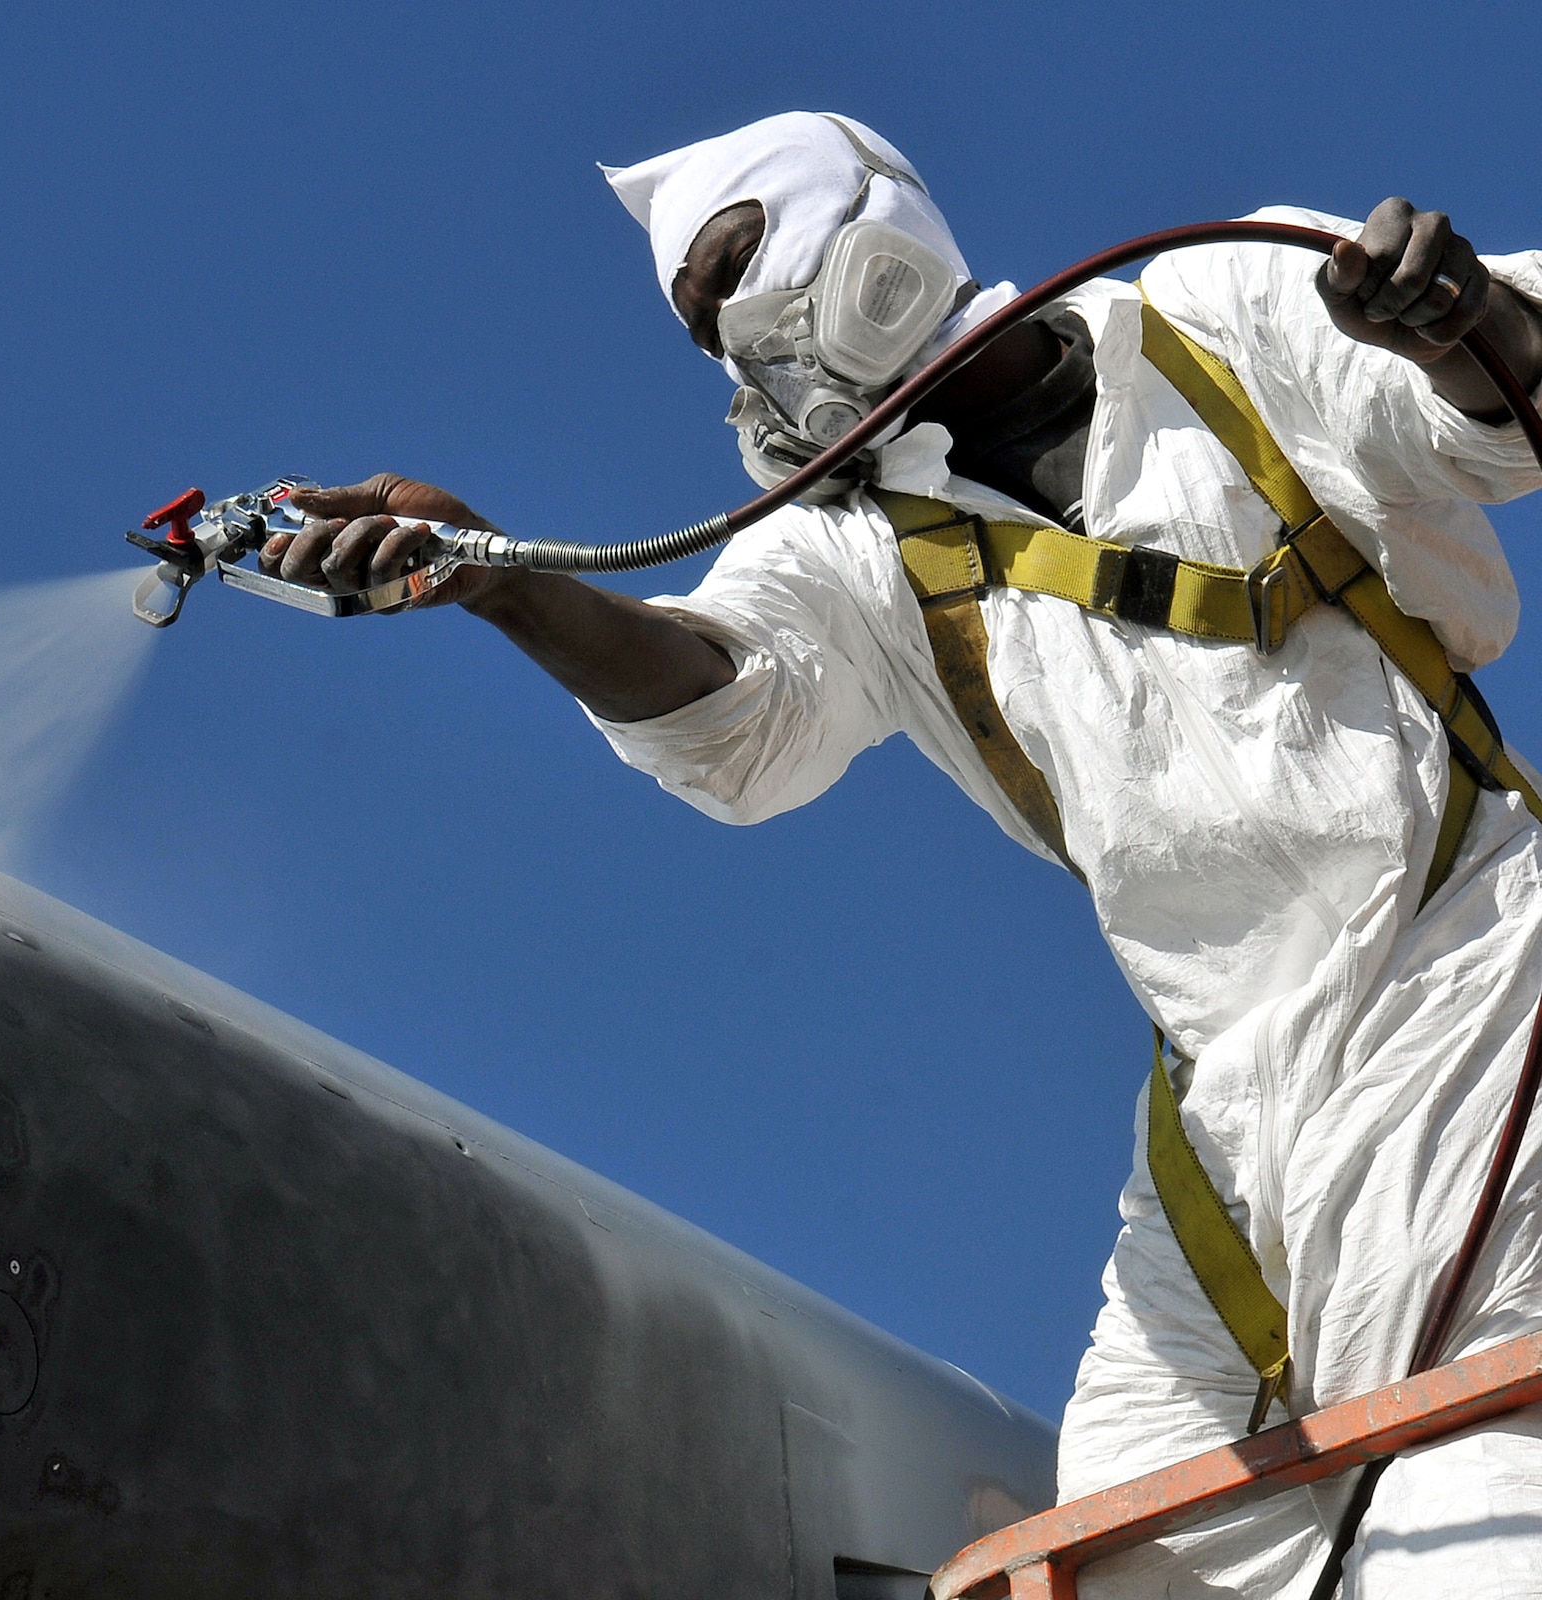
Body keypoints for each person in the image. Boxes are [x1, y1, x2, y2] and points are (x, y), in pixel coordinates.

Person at [268, 113, 1542, 1597]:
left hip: (1463, 985)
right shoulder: (859, 545)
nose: (734, 342)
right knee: (1120, 1552)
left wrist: (1456, 318)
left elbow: (1499, 407)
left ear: (872, 228)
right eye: (701, 325)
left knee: (1463, 1516)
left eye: (735, 271)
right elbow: (734, 712)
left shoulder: (1209, 315)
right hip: (1222, 1131)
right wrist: (500, 582)